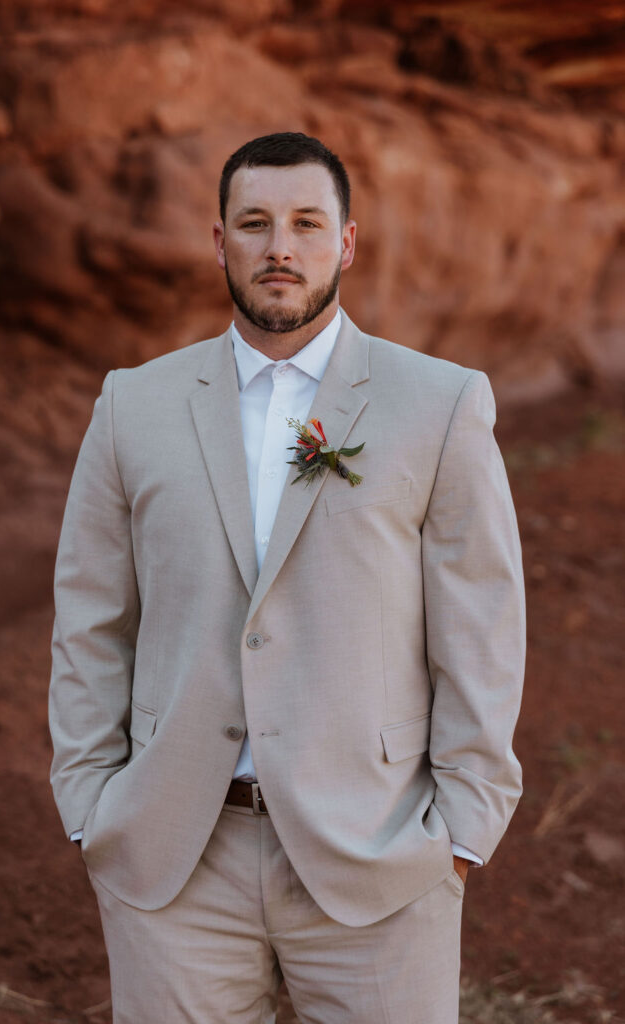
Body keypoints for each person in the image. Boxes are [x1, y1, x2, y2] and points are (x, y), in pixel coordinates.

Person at [49, 131, 525, 1024]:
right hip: (173, 857)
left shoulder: (439, 402)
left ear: (346, 242)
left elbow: (482, 623)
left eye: (306, 223)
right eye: (254, 223)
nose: (280, 248)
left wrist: (462, 830)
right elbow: (91, 617)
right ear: (217, 240)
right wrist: (89, 801)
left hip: (379, 851)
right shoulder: (132, 404)